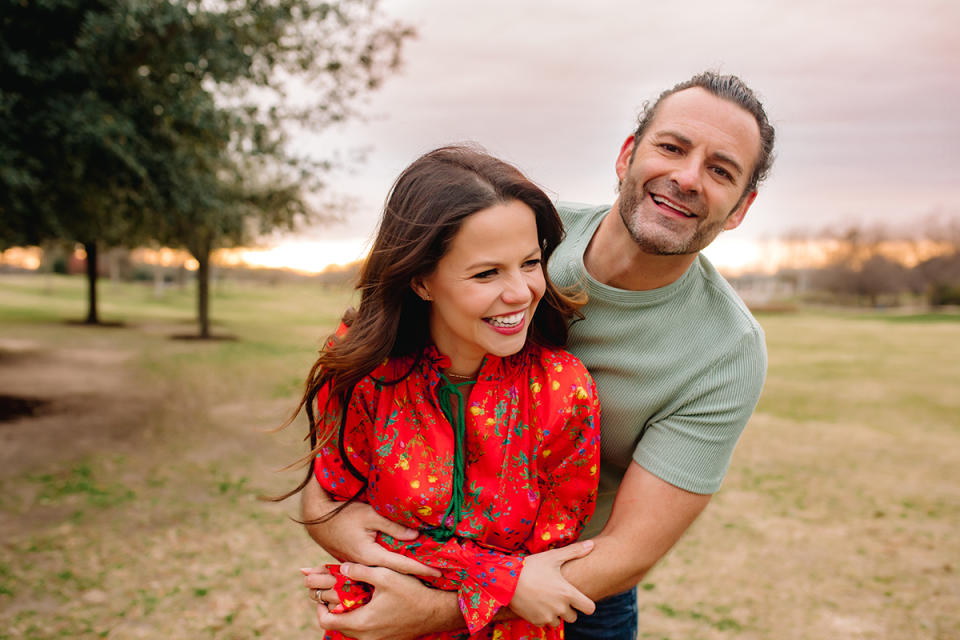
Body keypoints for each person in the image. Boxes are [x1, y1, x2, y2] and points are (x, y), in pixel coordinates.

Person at [302, 71, 775, 640]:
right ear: (628, 155)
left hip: (571, 585)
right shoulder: (514, 226)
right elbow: (339, 463)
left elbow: (627, 549)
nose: (686, 177)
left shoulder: (726, 350)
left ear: (741, 207)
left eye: (720, 170)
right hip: (409, 570)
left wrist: (450, 606)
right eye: (671, 147)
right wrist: (334, 521)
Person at [288, 145, 602, 640]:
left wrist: (442, 578)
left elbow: (549, 567)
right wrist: (501, 577)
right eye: (486, 273)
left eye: (530, 263)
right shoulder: (362, 369)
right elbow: (339, 513)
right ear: (421, 281)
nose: (520, 292)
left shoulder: (564, 389)